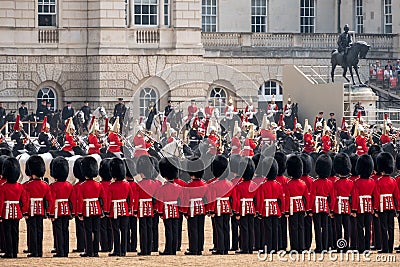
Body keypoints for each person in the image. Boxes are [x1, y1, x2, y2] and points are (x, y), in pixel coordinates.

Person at [77, 156, 106, 257]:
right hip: (97, 209)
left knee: (88, 231)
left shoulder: (82, 186)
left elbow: (80, 201)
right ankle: (96, 251)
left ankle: (89, 251)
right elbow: (102, 199)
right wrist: (102, 210)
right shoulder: (98, 185)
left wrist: (80, 213)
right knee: (96, 230)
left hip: (86, 210)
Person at [23, 155, 53, 258]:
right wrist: (48, 211)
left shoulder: (27, 185)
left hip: (30, 210)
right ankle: (39, 251)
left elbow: (26, 200)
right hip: (41, 210)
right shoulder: (45, 185)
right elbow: (48, 200)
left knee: (32, 230)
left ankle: (33, 251)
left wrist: (25, 212)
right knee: (40, 230)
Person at [0, 157, 29, 258]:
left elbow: (1, 202)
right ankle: (15, 251)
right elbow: (24, 201)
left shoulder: (3, 187)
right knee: (15, 232)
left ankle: (9, 252)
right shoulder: (20, 186)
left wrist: (0, 214)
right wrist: (24, 211)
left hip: (6, 211)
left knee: (7, 232)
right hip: (17, 211)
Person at [255, 157, 284, 253]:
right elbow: (281, 199)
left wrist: (259, 211)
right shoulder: (278, 184)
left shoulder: (263, 185)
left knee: (267, 230)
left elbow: (260, 199)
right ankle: (275, 248)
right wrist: (282, 210)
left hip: (266, 209)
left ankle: (268, 248)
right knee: (275, 229)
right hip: (276, 208)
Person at [155, 157, 183, 255]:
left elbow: (160, 201)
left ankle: (168, 249)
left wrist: (160, 212)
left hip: (166, 210)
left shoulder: (163, 188)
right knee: (175, 230)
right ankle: (174, 249)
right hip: (175, 210)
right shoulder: (178, 187)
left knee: (168, 230)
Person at [106, 158, 134, 257]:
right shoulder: (127, 185)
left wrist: (107, 210)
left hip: (114, 210)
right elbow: (130, 198)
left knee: (116, 230)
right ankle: (123, 250)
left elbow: (108, 200)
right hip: (125, 210)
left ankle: (117, 250)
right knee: (124, 230)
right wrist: (130, 208)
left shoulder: (111, 186)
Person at [181, 158, 208, 255]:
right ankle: (200, 248)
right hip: (201, 208)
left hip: (192, 209)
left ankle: (193, 249)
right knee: (200, 229)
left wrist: (184, 211)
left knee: (193, 230)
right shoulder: (204, 184)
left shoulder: (189, 186)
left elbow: (186, 200)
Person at [136, 156, 162, 256]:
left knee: (143, 229)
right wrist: (156, 208)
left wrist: (135, 210)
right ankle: (150, 248)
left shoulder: (140, 184)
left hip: (142, 208)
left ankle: (144, 249)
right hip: (151, 207)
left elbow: (137, 199)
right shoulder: (155, 183)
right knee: (150, 228)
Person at [309, 154, 336, 253]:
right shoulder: (329, 183)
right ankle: (325, 247)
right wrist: (331, 209)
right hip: (325, 207)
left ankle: (319, 247)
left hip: (316, 207)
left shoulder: (315, 182)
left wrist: (310, 209)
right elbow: (332, 198)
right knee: (325, 227)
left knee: (317, 228)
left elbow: (312, 197)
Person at [207, 155, 233, 255]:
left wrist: (211, 210)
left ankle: (220, 248)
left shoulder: (214, 184)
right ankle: (226, 247)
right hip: (227, 206)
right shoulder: (229, 183)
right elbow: (231, 198)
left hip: (217, 207)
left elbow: (212, 199)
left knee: (219, 228)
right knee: (226, 227)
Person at [375, 153, 400, 253]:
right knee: (391, 227)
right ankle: (390, 247)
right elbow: (397, 196)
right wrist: (397, 208)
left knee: (383, 227)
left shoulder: (379, 181)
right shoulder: (393, 180)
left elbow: (377, 197)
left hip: (382, 206)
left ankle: (385, 248)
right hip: (391, 206)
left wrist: (376, 208)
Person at [48, 157, 73, 257]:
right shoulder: (69, 185)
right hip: (66, 210)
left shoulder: (53, 186)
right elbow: (71, 200)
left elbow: (52, 200)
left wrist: (50, 213)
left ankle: (60, 251)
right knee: (65, 230)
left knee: (58, 231)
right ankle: (65, 251)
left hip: (57, 210)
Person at [231, 158, 256, 254]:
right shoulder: (254, 184)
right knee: (251, 228)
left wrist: (236, 212)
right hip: (251, 207)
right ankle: (250, 247)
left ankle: (244, 248)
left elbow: (237, 200)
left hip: (243, 208)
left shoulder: (239, 186)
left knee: (244, 228)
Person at [284, 155, 308, 252]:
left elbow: (287, 198)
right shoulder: (303, 183)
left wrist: (286, 211)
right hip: (301, 206)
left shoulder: (288, 184)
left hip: (292, 207)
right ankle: (301, 246)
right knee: (301, 227)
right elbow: (306, 197)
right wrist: (306, 208)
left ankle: (294, 247)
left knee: (293, 227)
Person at [352, 154, 376, 253]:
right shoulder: (373, 182)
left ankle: (361, 247)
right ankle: (367, 246)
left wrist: (354, 209)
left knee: (360, 227)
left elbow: (355, 197)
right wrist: (375, 208)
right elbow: (375, 196)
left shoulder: (357, 182)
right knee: (368, 227)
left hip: (359, 207)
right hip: (369, 207)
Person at [333, 153, 354, 252]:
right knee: (347, 228)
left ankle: (340, 247)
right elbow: (353, 197)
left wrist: (332, 210)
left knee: (338, 229)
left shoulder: (336, 183)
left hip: (338, 207)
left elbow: (333, 198)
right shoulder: (351, 183)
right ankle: (346, 246)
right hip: (347, 207)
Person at [70, 158, 85, 253]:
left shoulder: (76, 186)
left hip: (79, 210)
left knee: (80, 229)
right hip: (91, 209)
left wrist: (74, 212)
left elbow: (75, 200)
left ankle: (81, 246)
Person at [124, 159, 139, 253]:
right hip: (135, 209)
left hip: (126, 209)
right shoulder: (136, 184)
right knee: (134, 229)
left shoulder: (126, 184)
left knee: (126, 229)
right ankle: (133, 246)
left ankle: (127, 246)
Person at [98, 159, 113, 253]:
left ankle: (104, 246)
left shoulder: (100, 185)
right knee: (110, 227)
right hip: (112, 208)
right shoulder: (112, 184)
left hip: (103, 208)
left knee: (102, 228)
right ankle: (110, 245)